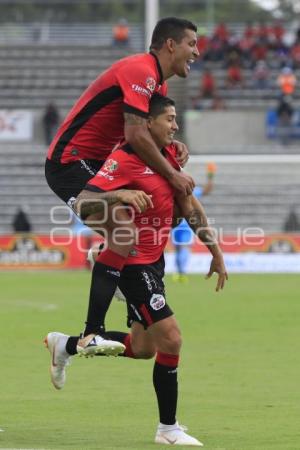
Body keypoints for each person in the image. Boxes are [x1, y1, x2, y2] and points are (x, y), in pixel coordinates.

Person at [45, 94, 228, 446]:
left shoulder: (170, 157)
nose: (176, 126)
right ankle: (168, 429)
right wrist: (121, 195)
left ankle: (64, 345)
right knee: (172, 338)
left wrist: (215, 250)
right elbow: (84, 202)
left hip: (153, 261)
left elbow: (189, 205)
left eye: (176, 119)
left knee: (144, 348)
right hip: (132, 262)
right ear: (148, 124)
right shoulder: (124, 159)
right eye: (170, 119)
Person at [44, 17, 199, 355]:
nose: (196, 53)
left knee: (157, 217)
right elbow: (134, 134)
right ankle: (91, 332)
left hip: (99, 161)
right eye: (191, 44)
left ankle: (107, 262)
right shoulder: (140, 70)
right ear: (171, 44)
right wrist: (173, 175)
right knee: (125, 231)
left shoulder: (158, 86)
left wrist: (173, 149)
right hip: (70, 160)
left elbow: (147, 136)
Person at [172, 162, 216, 282]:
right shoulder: (191, 190)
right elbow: (207, 190)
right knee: (184, 247)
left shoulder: (175, 188)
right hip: (186, 224)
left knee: (178, 248)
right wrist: (211, 176)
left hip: (174, 223)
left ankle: (179, 272)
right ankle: (182, 272)